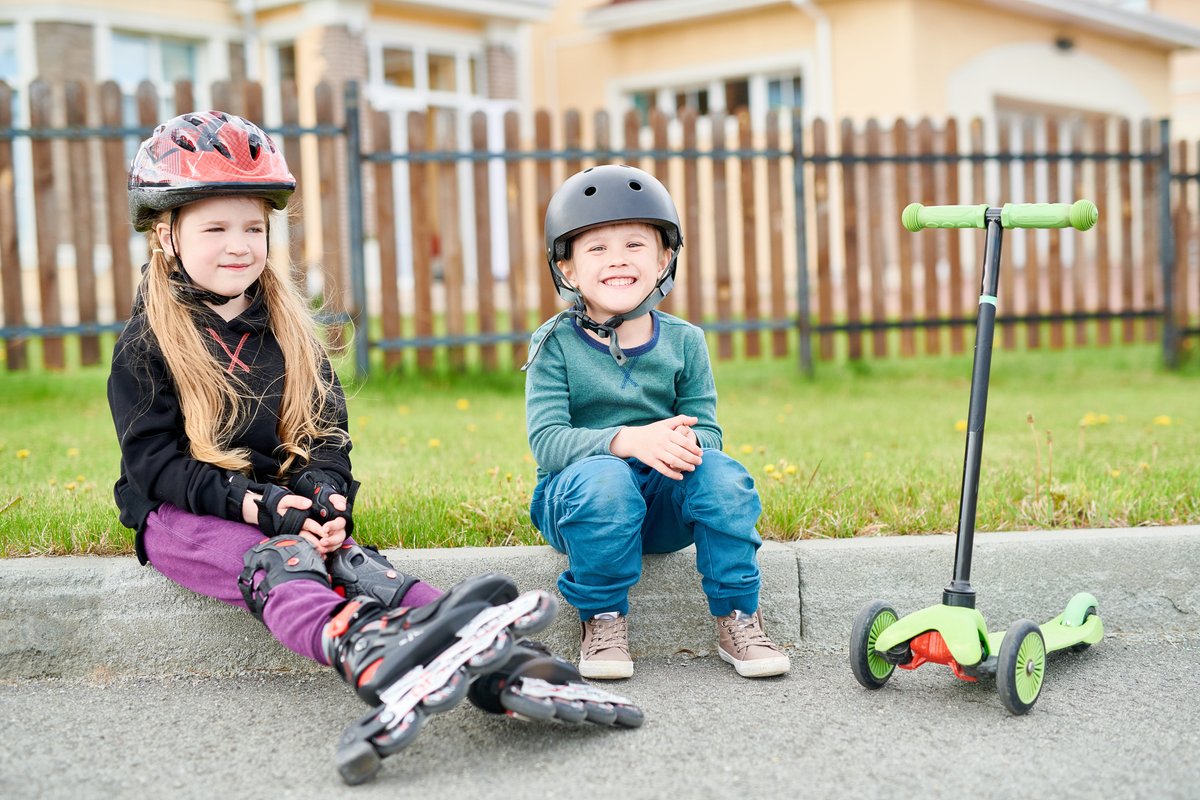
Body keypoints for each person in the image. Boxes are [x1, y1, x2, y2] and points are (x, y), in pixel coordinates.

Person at [108, 112, 641, 786]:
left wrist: (326, 495)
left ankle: (483, 651)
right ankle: (358, 644)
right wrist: (263, 508)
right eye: (215, 228)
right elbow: (157, 467)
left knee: (355, 562)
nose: (239, 245)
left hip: (279, 507)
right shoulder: (145, 344)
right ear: (166, 235)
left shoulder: (293, 334)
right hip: (181, 520)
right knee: (281, 559)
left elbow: (326, 437)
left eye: (252, 227)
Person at [523, 164, 791, 681]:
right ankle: (602, 618)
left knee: (724, 475)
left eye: (635, 246)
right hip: (579, 500)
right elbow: (549, 443)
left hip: (664, 499)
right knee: (606, 479)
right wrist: (628, 440)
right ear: (569, 270)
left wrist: (678, 440)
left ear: (665, 258)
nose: (618, 260)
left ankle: (738, 616)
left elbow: (709, 432)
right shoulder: (553, 343)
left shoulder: (686, 340)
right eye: (596, 249)